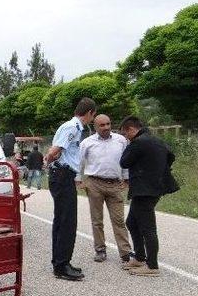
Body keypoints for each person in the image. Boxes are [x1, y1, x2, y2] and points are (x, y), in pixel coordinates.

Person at [44, 97, 97, 281]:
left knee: (62, 220)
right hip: (61, 175)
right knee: (67, 221)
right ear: (90, 113)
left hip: (63, 175)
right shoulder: (72, 128)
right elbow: (54, 151)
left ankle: (60, 261)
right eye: (93, 116)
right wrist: (51, 167)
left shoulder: (73, 127)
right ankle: (62, 265)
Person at [119, 116, 176, 277]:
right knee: (132, 222)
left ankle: (152, 265)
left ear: (131, 129)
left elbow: (124, 162)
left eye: (125, 134)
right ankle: (139, 257)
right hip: (154, 187)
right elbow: (171, 156)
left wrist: (129, 147)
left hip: (145, 190)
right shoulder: (157, 140)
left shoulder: (138, 142)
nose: (125, 137)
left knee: (148, 228)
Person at [78, 114, 137, 264]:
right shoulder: (87, 143)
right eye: (102, 125)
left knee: (119, 220)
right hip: (94, 184)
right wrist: (78, 180)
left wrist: (127, 178)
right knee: (97, 220)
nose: (106, 127)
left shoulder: (121, 140)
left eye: (108, 124)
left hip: (115, 184)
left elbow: (126, 161)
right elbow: (79, 162)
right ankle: (100, 250)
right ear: (95, 127)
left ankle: (125, 252)